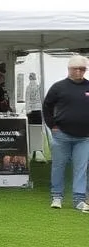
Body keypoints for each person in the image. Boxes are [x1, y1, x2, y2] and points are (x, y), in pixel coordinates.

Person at [42, 55, 89, 211]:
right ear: (69, 69)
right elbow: (47, 107)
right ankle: (57, 196)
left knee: (81, 168)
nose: (78, 71)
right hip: (61, 135)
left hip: (84, 137)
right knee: (58, 166)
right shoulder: (58, 87)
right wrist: (52, 125)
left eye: (82, 69)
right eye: (75, 68)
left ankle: (79, 200)